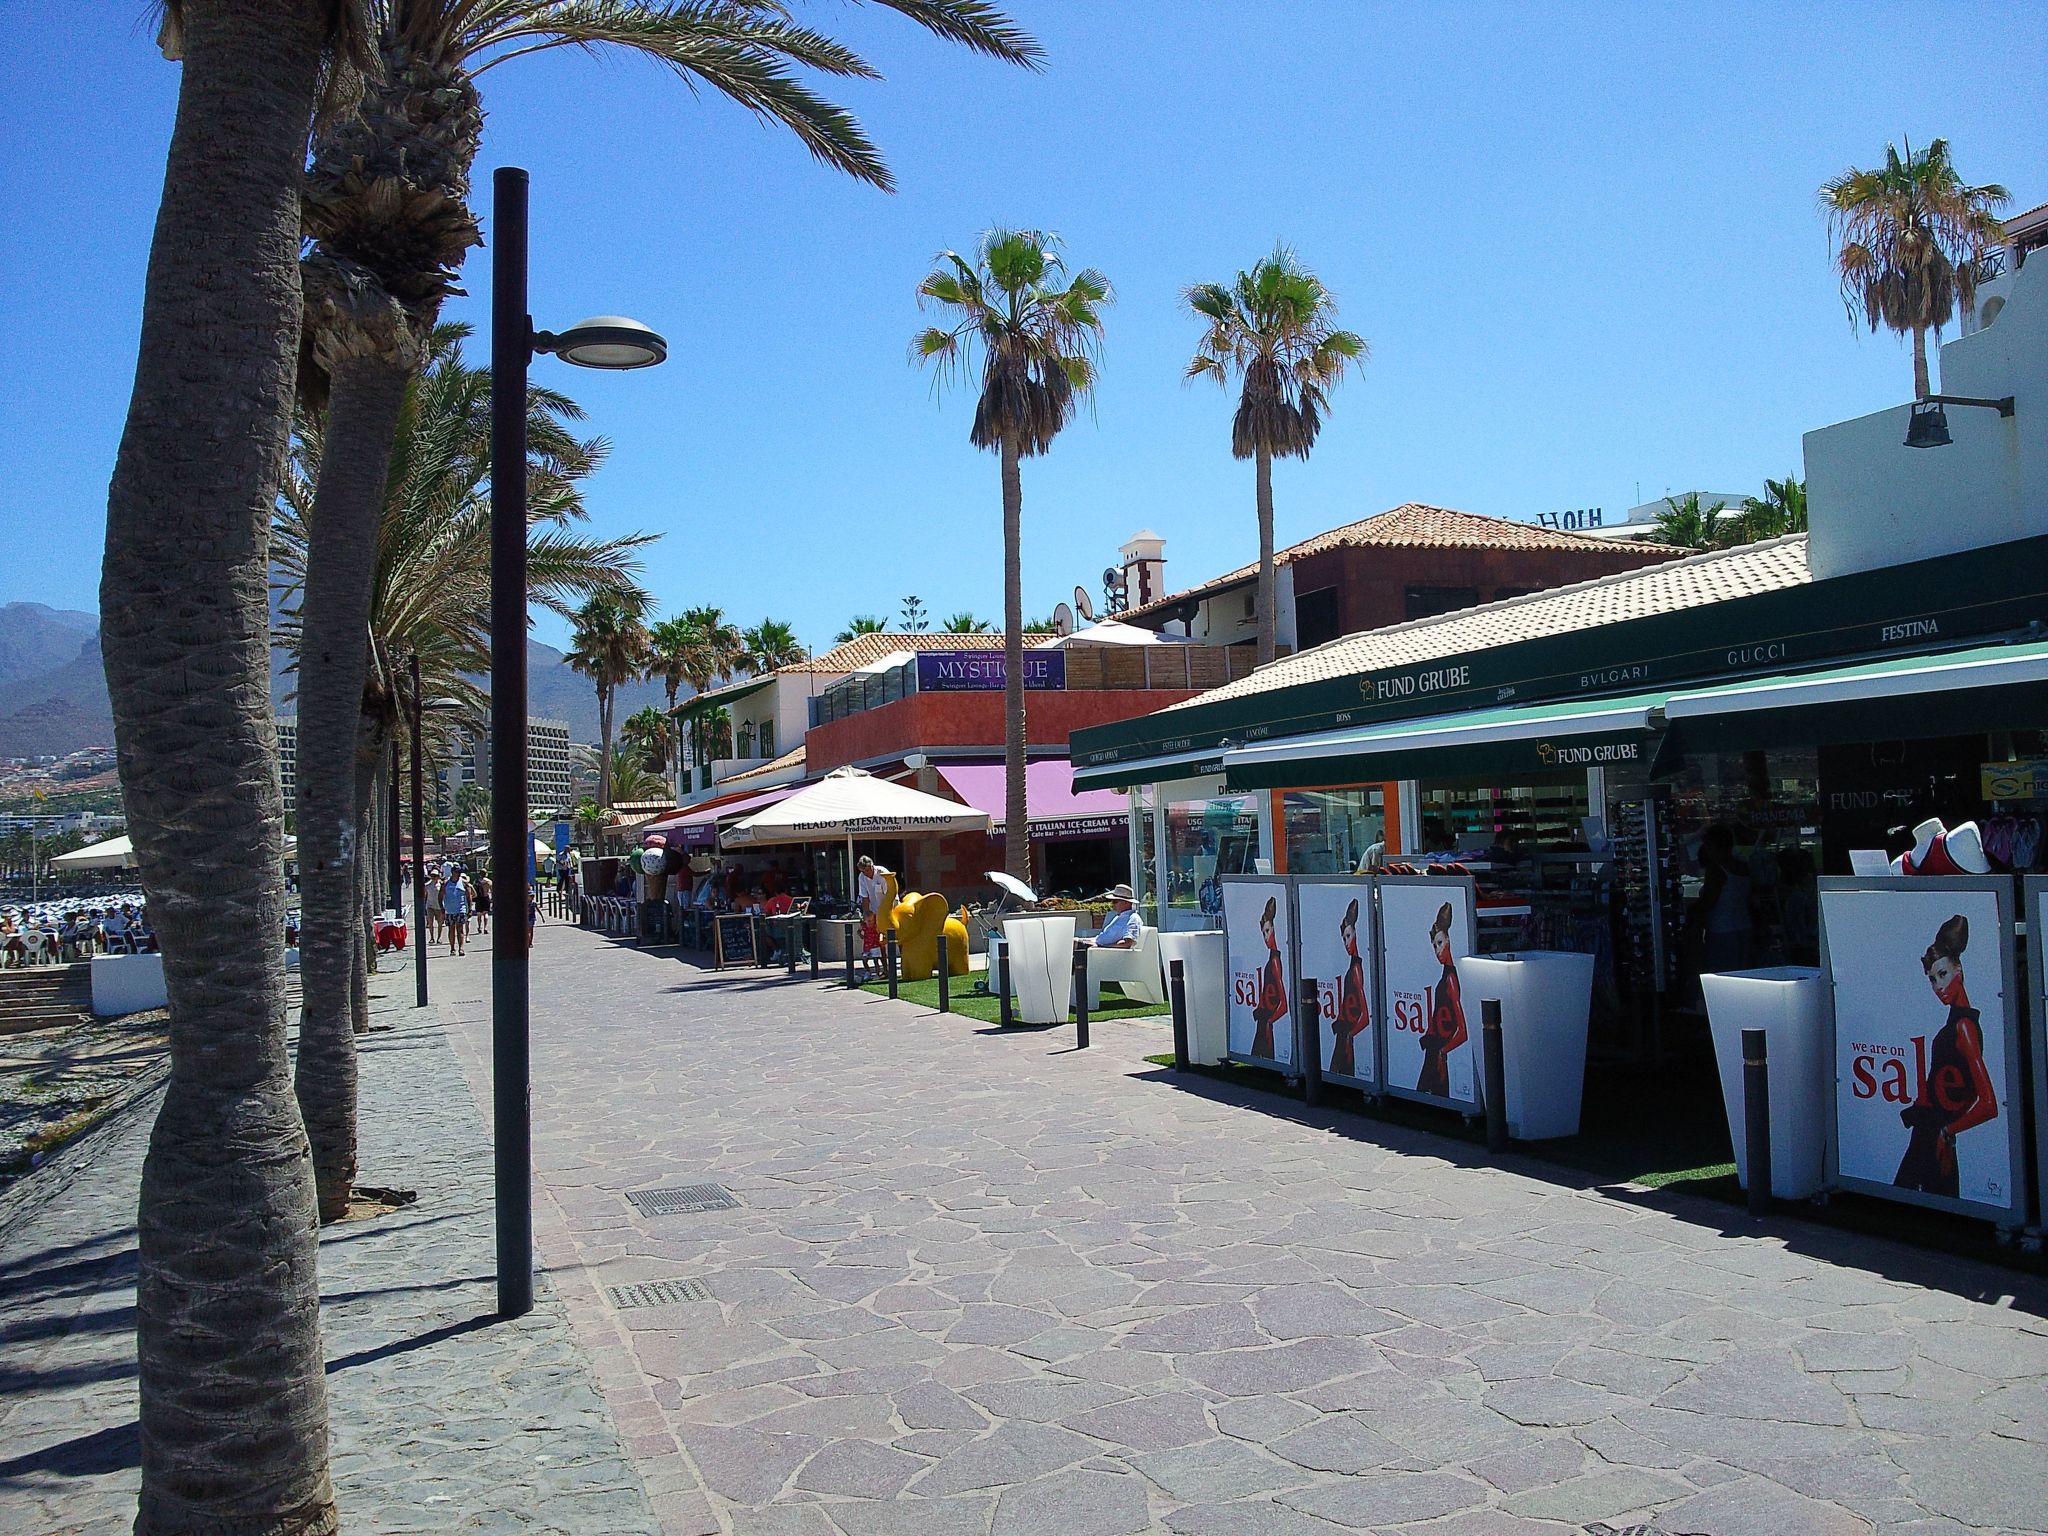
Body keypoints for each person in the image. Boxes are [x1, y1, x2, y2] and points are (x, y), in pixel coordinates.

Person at [1895, 914, 1999, 1197]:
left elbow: (1988, 1104)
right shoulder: (1956, 1024)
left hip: (1935, 1135)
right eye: (1932, 979)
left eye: (1942, 974)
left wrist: (1948, 1131)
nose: (1938, 986)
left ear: (1959, 971)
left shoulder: (1964, 1027)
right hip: (1929, 1132)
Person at [1688, 823, 1754, 977]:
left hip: (1721, 930)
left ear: (1713, 846)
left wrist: (1691, 909)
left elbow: (1709, 902)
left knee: (1723, 975)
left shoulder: (1716, 869)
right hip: (1744, 926)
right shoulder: (1743, 867)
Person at [1417, 901, 1467, 1098]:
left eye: (1440, 943)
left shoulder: (1451, 979)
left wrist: (1443, 1051)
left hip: (1438, 1052)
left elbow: (1462, 1032)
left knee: (1431, 1092)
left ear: (1449, 940)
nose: (1437, 950)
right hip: (1434, 1049)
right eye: (1434, 945)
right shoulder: (1447, 976)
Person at [1330, 897, 1370, 1077]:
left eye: (1349, 936)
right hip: (1343, 1035)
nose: (1346, 942)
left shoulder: (1356, 970)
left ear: (1355, 933)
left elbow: (1364, 1016)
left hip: (1345, 1037)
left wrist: (1349, 1034)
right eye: (1344, 938)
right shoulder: (1353, 967)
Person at [1250, 895, 1287, 1059]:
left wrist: (1270, 1021)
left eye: (1268, 931)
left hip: (1266, 1022)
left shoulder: (1275, 961)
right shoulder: (1272, 959)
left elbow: (1283, 1004)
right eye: (1263, 933)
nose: (1266, 937)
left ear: (1274, 928)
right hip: (1263, 1020)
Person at [441, 869, 471, 955]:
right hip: (449, 910)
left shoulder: (464, 883)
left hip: (461, 909)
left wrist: (469, 909)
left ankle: (461, 948)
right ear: (452, 872)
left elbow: (469, 896)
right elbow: (441, 895)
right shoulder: (446, 883)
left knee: (460, 929)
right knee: (451, 929)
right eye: (457, 872)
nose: (458, 874)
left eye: (459, 872)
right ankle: (452, 948)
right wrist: (442, 907)